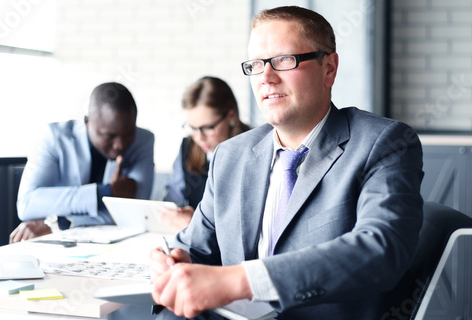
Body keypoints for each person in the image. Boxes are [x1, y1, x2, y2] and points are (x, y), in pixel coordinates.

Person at [149, 6, 424, 320]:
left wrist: (242, 280)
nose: (266, 77)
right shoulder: (231, 154)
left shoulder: (383, 142)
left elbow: (381, 250)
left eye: (284, 60)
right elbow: (195, 248)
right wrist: (172, 259)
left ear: (329, 69)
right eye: (255, 64)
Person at [9, 82, 155, 243]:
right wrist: (104, 192)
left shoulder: (143, 140)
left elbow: (137, 216)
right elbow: (27, 204)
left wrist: (63, 222)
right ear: (87, 122)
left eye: (128, 134)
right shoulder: (54, 137)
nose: (119, 144)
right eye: (109, 135)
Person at [161, 76, 250, 232]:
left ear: (230, 115)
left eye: (208, 127)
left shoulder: (256, 149)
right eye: (192, 128)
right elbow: (173, 198)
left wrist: (197, 223)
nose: (199, 138)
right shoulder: (187, 147)